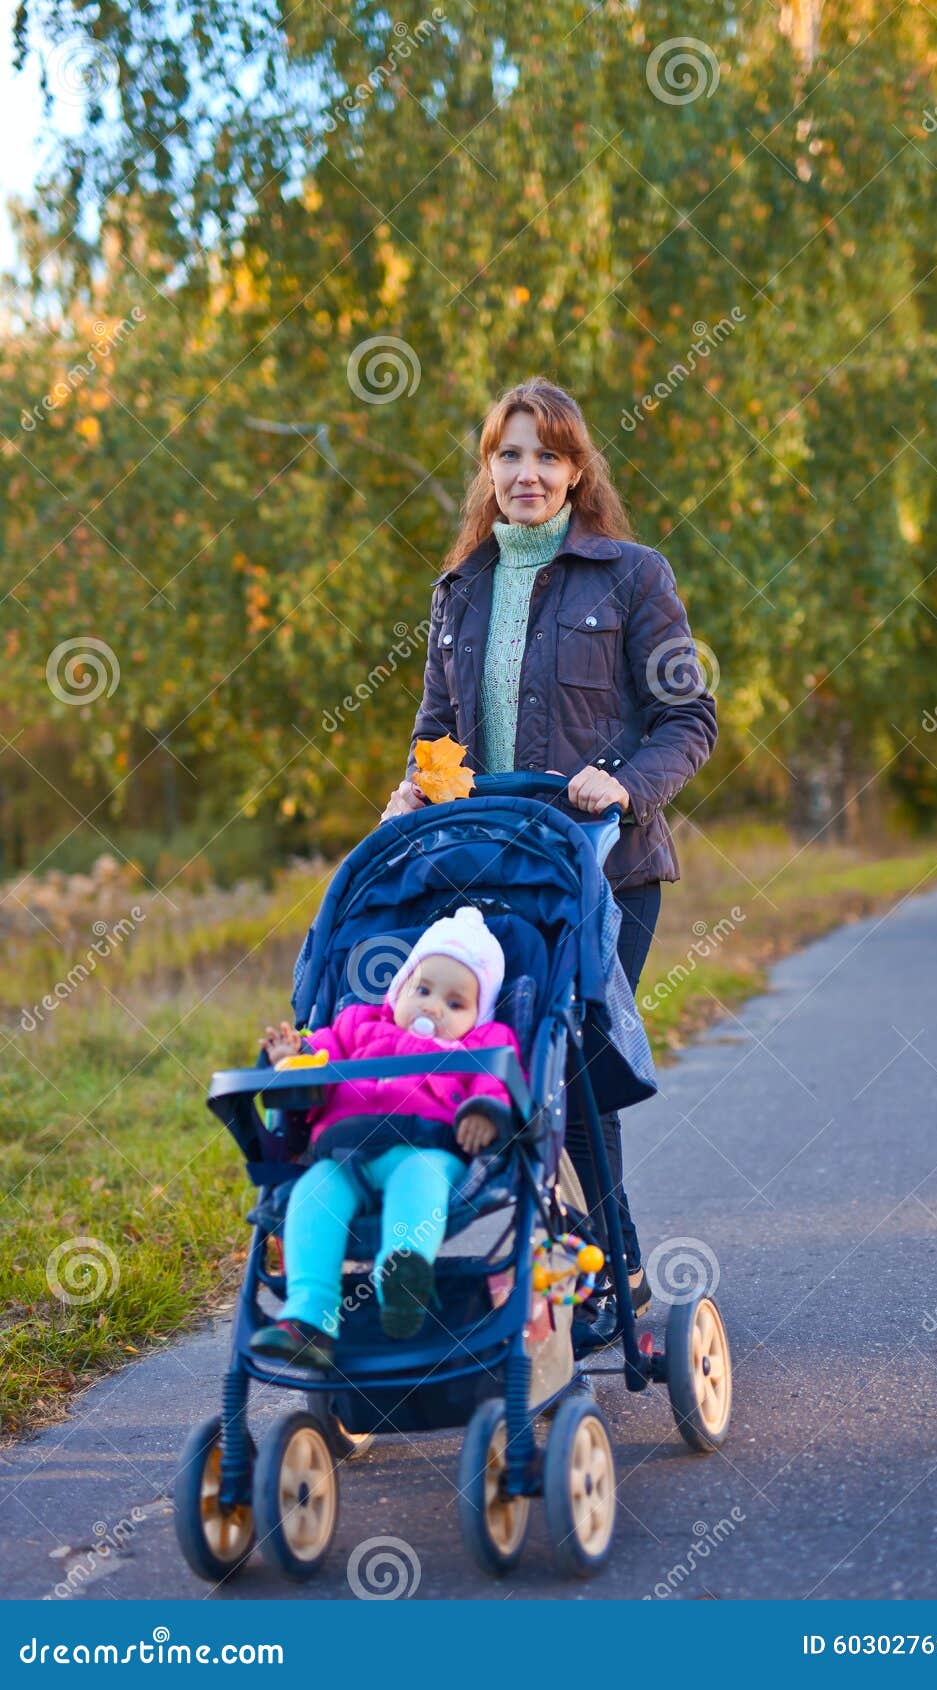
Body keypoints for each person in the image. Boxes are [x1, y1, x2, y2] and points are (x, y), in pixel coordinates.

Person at [381, 377, 717, 1342]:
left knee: (570, 1072)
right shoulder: (458, 588)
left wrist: (624, 784)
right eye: (508, 454)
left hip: (605, 872)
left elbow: (688, 718)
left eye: (546, 456)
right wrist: (411, 789)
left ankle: (616, 1276)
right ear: (488, 469)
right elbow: (435, 734)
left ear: (576, 472)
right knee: (491, 1071)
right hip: (487, 880)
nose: (526, 473)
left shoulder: (632, 576)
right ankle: (538, 1269)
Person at [250, 906, 523, 1365]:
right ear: (398, 990)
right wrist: (291, 1059)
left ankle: (402, 1274)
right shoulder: (354, 1026)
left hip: (427, 1148)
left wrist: (486, 1112)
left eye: (455, 1004)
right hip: (342, 1155)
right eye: (422, 990)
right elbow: (316, 1065)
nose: (433, 1007)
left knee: (418, 1180)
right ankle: (308, 1318)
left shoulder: (482, 1041)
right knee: (311, 1193)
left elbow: (496, 1081)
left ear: (478, 1014)